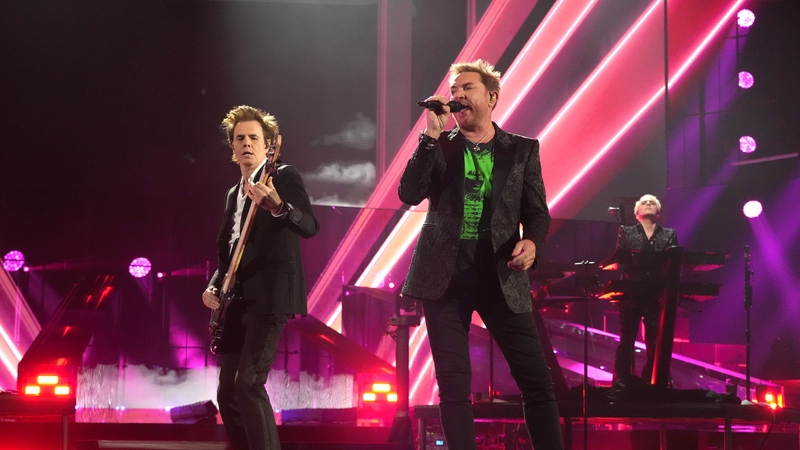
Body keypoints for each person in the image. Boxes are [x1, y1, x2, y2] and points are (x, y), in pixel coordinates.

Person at [398, 60, 563, 450]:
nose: (457, 96)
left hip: (501, 277)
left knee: (537, 383)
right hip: (445, 279)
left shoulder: (521, 149)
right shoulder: (438, 146)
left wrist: (533, 243)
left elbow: (537, 212)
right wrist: (429, 138)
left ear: (491, 96)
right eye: (454, 90)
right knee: (453, 387)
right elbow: (408, 194)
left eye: (466, 88)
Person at [202, 105, 319, 450]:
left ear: (269, 145)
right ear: (232, 147)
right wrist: (213, 286)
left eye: (254, 137)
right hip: (236, 301)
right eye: (240, 139)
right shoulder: (232, 193)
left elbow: (310, 226)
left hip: (271, 297)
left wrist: (279, 206)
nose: (247, 143)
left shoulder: (282, 177)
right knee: (228, 393)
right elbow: (230, 250)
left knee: (248, 383)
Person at [613, 194, 677, 384]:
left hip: (656, 293)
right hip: (631, 292)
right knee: (627, 339)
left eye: (652, 202)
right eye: (644, 202)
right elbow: (621, 259)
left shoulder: (669, 234)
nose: (648, 203)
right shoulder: (625, 231)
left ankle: (654, 380)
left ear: (658, 212)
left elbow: (672, 261)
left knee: (655, 341)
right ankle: (622, 380)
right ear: (637, 212)